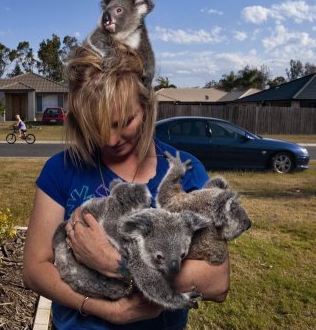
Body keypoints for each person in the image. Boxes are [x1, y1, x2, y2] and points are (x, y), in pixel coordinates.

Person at [22, 45, 230, 329]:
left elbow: (217, 282)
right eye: (96, 125)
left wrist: (118, 265)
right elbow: (34, 270)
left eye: (124, 122)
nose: (109, 139)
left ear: (146, 107)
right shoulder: (61, 169)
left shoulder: (186, 173)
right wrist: (107, 310)